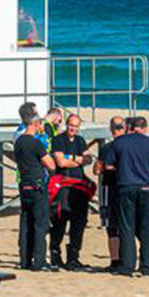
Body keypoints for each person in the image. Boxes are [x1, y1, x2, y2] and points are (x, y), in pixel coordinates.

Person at [105, 116, 149, 276]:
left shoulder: (119, 142)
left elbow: (109, 165)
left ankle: (127, 265)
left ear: (130, 127)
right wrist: (146, 169)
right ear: (145, 128)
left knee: (126, 227)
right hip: (147, 188)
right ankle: (147, 267)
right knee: (148, 229)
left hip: (126, 186)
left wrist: (124, 168)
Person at [49, 114, 94, 271]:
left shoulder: (80, 140)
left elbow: (89, 159)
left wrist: (72, 158)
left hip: (79, 186)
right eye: (70, 125)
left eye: (75, 126)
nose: (72, 128)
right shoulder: (58, 140)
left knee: (79, 223)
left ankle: (73, 257)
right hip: (63, 186)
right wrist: (77, 158)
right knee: (60, 220)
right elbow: (60, 161)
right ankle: (55, 255)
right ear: (66, 124)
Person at [14, 114, 57, 271]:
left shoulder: (19, 141)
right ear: (36, 124)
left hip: (24, 184)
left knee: (26, 222)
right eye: (41, 124)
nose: (42, 127)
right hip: (37, 185)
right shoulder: (35, 143)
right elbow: (50, 164)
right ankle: (39, 261)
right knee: (40, 224)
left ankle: (25, 260)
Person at [94, 116, 126, 272]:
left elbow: (97, 169)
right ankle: (126, 258)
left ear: (111, 129)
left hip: (110, 187)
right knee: (125, 224)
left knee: (112, 226)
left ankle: (115, 260)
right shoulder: (129, 146)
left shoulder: (108, 148)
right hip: (125, 187)